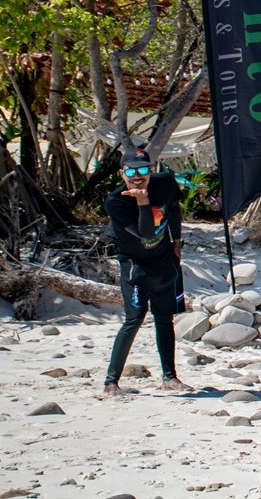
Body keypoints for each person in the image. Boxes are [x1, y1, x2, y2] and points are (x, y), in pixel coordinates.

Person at [103, 149, 192, 395]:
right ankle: (111, 382)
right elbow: (146, 233)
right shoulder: (116, 202)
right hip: (135, 262)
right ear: (122, 174)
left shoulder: (165, 183)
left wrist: (176, 244)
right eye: (131, 171)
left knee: (165, 318)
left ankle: (170, 377)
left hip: (163, 260)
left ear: (151, 171)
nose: (137, 177)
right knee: (135, 318)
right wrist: (143, 201)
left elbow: (173, 210)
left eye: (143, 170)